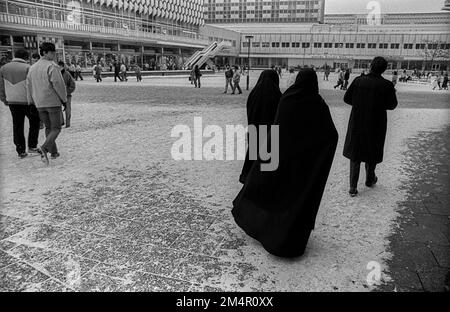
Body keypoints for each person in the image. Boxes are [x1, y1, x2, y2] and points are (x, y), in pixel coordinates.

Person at [232, 68, 338, 258]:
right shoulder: (319, 105)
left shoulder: (288, 99)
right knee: (295, 200)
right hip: (303, 165)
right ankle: (289, 240)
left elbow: (277, 129)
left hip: (280, 156)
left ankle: (267, 229)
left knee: (275, 195)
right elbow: (331, 135)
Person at [343, 57, 398, 197]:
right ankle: (369, 179)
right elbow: (392, 105)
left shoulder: (358, 81)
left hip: (358, 121)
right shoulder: (387, 85)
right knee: (372, 150)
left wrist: (360, 103)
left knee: (356, 152)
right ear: (384, 69)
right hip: (376, 122)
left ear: (371, 66)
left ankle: (353, 186)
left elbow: (347, 99)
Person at [27, 42, 67, 165]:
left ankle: (54, 152)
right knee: (56, 128)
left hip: (39, 103)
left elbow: (28, 86)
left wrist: (31, 102)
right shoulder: (52, 66)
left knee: (49, 127)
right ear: (45, 53)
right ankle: (44, 148)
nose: (54, 55)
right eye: (52, 52)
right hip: (52, 102)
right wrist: (64, 100)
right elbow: (58, 85)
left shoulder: (32, 68)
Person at [239, 70, 281, 184]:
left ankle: (249, 181)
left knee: (253, 159)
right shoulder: (277, 95)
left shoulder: (254, 94)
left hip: (254, 131)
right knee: (268, 166)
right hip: (270, 134)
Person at [0, 49, 41, 158]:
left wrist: (4, 99)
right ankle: (32, 146)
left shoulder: (3, 68)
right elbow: (33, 86)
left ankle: (20, 150)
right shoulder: (28, 68)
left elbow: (1, 86)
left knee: (17, 125)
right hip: (27, 101)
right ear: (26, 57)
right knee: (35, 122)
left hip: (12, 101)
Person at [57, 61, 76, 128]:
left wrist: (67, 91)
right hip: (57, 95)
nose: (58, 67)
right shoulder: (55, 74)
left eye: (59, 66)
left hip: (67, 95)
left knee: (67, 109)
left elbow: (72, 85)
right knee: (58, 109)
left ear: (62, 66)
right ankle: (61, 122)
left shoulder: (67, 74)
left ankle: (68, 123)